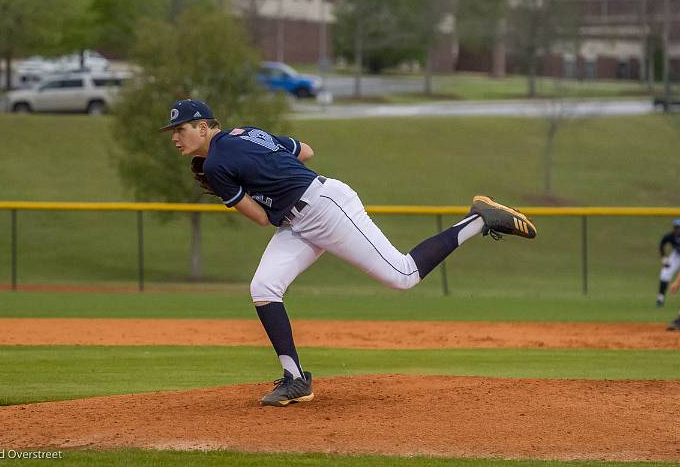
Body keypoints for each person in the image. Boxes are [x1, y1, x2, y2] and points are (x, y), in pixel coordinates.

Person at [160, 99, 538, 407]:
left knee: (403, 275)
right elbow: (306, 150)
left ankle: (478, 220)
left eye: (181, 129)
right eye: (173, 132)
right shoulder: (248, 134)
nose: (175, 138)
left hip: (324, 209)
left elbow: (259, 218)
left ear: (204, 127)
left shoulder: (216, 163)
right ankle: (294, 379)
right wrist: (269, 174)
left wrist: (240, 189)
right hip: (301, 217)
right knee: (264, 288)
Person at [655, 219, 680, 307]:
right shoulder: (671, 236)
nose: (677, 229)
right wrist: (664, 258)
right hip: (676, 255)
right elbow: (662, 244)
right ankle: (660, 298)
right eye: (676, 227)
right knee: (665, 273)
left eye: (679, 227)